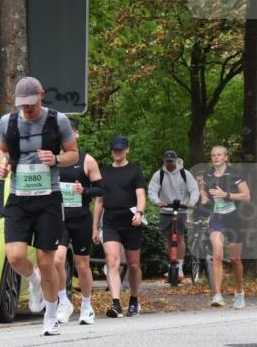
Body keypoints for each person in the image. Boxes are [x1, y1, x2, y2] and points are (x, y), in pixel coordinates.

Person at [0, 76, 79, 337]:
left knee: (46, 262)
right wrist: (3, 163)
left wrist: (55, 159)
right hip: (19, 197)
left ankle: (51, 317)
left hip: (48, 198)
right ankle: (33, 281)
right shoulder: (7, 122)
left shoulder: (58, 120)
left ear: (42, 95)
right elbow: (1, 149)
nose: (27, 108)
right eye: (23, 103)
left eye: (31, 102)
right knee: (15, 257)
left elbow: (73, 153)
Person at [53, 118, 103, 325]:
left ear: (76, 134)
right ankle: (63, 301)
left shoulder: (87, 160)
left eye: (69, 133)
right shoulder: (54, 160)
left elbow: (101, 189)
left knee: (82, 265)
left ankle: (86, 305)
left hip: (80, 218)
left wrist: (84, 191)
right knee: (57, 260)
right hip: (59, 218)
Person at [93, 135, 147, 318]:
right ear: (111, 151)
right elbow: (99, 202)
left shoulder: (135, 171)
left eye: (120, 149)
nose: (117, 152)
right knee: (112, 261)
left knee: (133, 264)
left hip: (131, 222)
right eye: (115, 149)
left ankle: (134, 299)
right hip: (110, 222)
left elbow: (141, 196)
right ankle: (116, 304)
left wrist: (139, 213)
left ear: (127, 150)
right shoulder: (104, 172)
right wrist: (94, 227)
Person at [198, 145, 251, 308]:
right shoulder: (207, 175)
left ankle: (239, 292)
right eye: (213, 155)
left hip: (234, 218)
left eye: (219, 155)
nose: (216, 157)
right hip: (217, 218)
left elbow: (246, 196)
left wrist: (225, 194)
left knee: (235, 259)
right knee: (217, 253)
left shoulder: (235, 173)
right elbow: (203, 189)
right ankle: (217, 295)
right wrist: (203, 196)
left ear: (226, 157)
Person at [148, 150, 199, 282]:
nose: (169, 163)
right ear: (164, 161)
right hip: (166, 209)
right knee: (169, 239)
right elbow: (152, 190)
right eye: (167, 161)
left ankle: (180, 267)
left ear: (176, 161)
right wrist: (157, 201)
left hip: (181, 209)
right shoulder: (159, 175)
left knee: (179, 237)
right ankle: (172, 264)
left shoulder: (185, 174)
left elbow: (194, 189)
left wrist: (191, 202)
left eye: (171, 161)